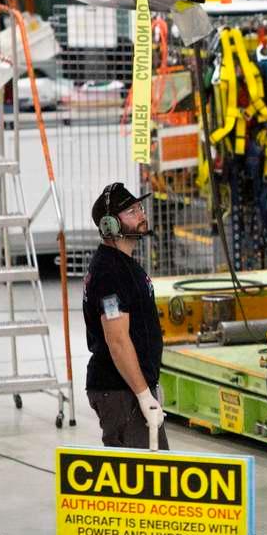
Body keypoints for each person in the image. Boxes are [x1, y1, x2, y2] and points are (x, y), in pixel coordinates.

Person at [81, 182, 168, 449]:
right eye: (131, 212)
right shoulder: (109, 273)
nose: (141, 214)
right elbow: (117, 341)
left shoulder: (123, 264)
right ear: (109, 225)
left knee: (155, 470)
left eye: (140, 208)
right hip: (120, 393)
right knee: (144, 473)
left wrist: (149, 385)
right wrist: (143, 395)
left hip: (129, 388)